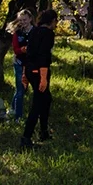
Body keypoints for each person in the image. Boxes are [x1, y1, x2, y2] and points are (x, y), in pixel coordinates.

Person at [20, 9, 58, 149]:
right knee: (38, 102)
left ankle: (43, 131)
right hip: (39, 70)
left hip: (30, 68)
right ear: (52, 20)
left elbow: (28, 52)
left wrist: (25, 72)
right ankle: (26, 138)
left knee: (46, 99)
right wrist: (43, 77)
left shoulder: (34, 31)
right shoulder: (48, 34)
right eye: (55, 21)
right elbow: (43, 55)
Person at [6, 8, 34, 122]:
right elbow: (16, 50)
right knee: (20, 90)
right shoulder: (17, 33)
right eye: (21, 20)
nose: (23, 22)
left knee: (24, 89)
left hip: (32, 64)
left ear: (30, 19)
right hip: (19, 64)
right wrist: (24, 49)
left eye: (25, 19)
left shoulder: (35, 31)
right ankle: (18, 116)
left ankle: (12, 108)